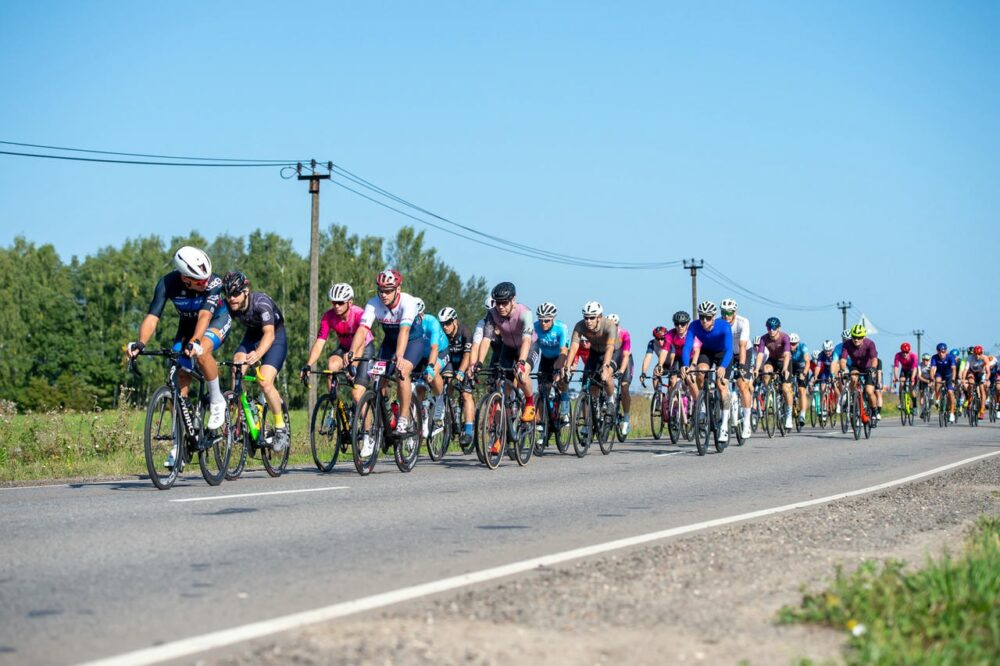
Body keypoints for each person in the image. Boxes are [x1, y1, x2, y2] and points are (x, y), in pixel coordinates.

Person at [125, 246, 231, 467]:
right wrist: (141, 343)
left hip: (215, 320)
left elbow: (204, 315)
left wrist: (195, 342)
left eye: (206, 278)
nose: (205, 282)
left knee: (202, 352)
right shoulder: (167, 283)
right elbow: (153, 317)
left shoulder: (214, 283)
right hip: (186, 326)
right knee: (178, 379)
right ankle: (179, 443)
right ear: (185, 278)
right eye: (199, 281)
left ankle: (217, 399)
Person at [349, 269, 424, 446]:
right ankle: (387, 417)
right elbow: (362, 329)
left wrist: (399, 357)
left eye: (388, 291)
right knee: (378, 379)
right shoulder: (374, 303)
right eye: (381, 290)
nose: (384, 294)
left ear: (398, 289)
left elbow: (404, 331)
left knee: (401, 371)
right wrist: (352, 351)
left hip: (412, 342)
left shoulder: (408, 302)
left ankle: (404, 418)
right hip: (389, 342)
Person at [222, 271, 290, 451]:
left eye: (236, 294)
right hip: (252, 336)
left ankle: (280, 427)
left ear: (246, 291)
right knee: (236, 366)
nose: (232, 299)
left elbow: (269, 334)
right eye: (228, 295)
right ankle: (247, 411)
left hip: (275, 337)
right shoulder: (230, 305)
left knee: (264, 381)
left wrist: (258, 354)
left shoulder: (261, 303)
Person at [473, 282, 538, 425]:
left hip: (528, 346)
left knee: (522, 374)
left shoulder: (524, 312)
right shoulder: (492, 314)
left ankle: (529, 402)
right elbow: (486, 339)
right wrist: (479, 362)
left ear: (513, 300)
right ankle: (502, 431)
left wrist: (521, 362)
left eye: (504, 303)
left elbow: (527, 340)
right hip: (508, 348)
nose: (500, 307)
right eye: (497, 303)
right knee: (503, 389)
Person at [301, 282, 374, 404]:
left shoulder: (359, 314)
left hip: (364, 348)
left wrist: (353, 366)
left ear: (349, 302)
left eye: (340, 303)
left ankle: (367, 424)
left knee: (357, 396)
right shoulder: (328, 316)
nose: (336, 306)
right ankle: (336, 407)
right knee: (331, 365)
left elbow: (360, 344)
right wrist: (308, 364)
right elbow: (320, 342)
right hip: (345, 347)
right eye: (333, 302)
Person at [680, 300, 734, 443]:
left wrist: (722, 366)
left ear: (714, 317)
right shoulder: (694, 326)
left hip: (723, 354)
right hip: (707, 352)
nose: (704, 321)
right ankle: (702, 403)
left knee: (722, 385)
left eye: (708, 318)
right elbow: (687, 348)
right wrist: (685, 365)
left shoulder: (724, 326)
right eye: (702, 317)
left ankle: (724, 425)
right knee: (700, 371)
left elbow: (729, 349)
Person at [565, 301, 619, 416]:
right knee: (589, 386)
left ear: (599, 317)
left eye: (592, 318)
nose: (588, 321)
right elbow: (574, 346)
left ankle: (610, 400)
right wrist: (567, 366)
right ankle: (590, 421)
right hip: (594, 352)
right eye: (586, 317)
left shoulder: (609, 325)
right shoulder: (580, 326)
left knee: (606, 374)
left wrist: (605, 366)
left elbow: (610, 348)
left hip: (612, 352)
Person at [438, 306, 475, 446]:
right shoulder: (442, 335)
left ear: (455, 321)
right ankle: (453, 412)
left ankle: (469, 431)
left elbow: (467, 355)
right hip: (449, 363)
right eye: (442, 324)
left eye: (448, 323)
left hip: (463, 365)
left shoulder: (465, 332)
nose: (445, 327)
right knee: (446, 389)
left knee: (466, 395)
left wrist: (460, 372)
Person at [412, 297, 448, 437]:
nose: (417, 320)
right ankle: (422, 415)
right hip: (421, 354)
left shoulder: (431, 322)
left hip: (440, 351)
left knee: (432, 374)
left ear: (423, 313)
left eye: (419, 316)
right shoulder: (408, 324)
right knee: (418, 386)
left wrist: (431, 366)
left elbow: (434, 347)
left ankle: (440, 403)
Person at [533, 302, 571, 425]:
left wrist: (558, 369)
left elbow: (563, 351)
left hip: (560, 357)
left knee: (561, 382)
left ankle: (565, 408)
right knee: (542, 389)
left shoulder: (561, 328)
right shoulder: (535, 327)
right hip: (546, 358)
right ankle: (543, 420)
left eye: (547, 320)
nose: (543, 323)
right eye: (541, 320)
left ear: (553, 318)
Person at [753, 316, 793, 430]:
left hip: (784, 361)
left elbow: (786, 354)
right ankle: (769, 391)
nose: (771, 330)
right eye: (769, 328)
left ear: (779, 328)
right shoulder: (764, 338)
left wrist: (785, 369)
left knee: (786, 388)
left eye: (774, 328)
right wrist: (756, 369)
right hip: (772, 360)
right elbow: (760, 354)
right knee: (765, 370)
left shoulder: (785, 337)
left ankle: (789, 415)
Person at [720, 299, 752, 439]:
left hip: (743, 352)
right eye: (723, 313)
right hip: (727, 353)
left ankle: (746, 423)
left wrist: (742, 367)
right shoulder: (719, 323)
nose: (726, 316)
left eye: (729, 313)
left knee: (742, 384)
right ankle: (724, 423)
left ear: (734, 312)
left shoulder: (743, 322)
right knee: (722, 384)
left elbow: (743, 346)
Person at [840, 324, 880, 422]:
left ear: (864, 337)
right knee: (853, 377)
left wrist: (873, 369)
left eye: (859, 337)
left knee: (869, 391)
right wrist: (842, 370)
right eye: (854, 337)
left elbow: (874, 359)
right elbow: (843, 360)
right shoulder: (847, 344)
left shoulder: (870, 344)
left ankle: (874, 411)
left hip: (868, 367)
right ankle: (854, 397)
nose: (856, 340)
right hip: (856, 366)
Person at [606, 313, 634, 435]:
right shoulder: (604, 335)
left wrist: (622, 371)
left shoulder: (624, 334)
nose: (613, 327)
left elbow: (626, 355)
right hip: (612, 358)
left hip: (625, 360)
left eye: (615, 325)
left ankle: (626, 419)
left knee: (624, 386)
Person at [928, 343, 957, 423]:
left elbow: (954, 369)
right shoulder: (934, 357)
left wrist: (954, 379)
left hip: (949, 375)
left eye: (943, 352)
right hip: (939, 374)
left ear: (946, 351)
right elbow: (933, 368)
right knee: (937, 383)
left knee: (950, 392)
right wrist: (931, 377)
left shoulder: (950, 357)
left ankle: (951, 413)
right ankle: (937, 399)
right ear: (937, 352)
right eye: (939, 352)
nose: (941, 354)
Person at [789, 333, 811, 427]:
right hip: (791, 366)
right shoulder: (786, 348)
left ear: (797, 343)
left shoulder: (803, 347)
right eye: (790, 343)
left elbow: (807, 362)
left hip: (802, 367)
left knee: (801, 389)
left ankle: (802, 414)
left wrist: (804, 373)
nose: (791, 345)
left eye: (794, 344)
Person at [892, 342, 918, 413]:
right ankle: (901, 403)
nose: (905, 354)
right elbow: (896, 366)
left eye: (906, 352)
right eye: (903, 352)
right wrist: (895, 376)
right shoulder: (898, 355)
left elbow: (915, 368)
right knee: (901, 383)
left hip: (912, 370)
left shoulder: (913, 356)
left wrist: (912, 377)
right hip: (904, 370)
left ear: (909, 351)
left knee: (911, 388)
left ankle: (915, 406)